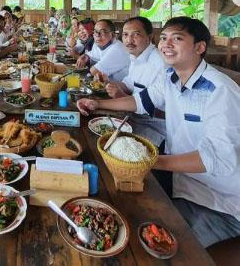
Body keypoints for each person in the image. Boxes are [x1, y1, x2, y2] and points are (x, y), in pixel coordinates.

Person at [77, 17, 240, 248]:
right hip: (182, 185)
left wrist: (149, 161)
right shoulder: (171, 78)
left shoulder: (219, 91)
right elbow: (140, 101)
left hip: (220, 204)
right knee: (124, 215)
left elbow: (217, 158)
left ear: (200, 47)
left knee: (153, 247)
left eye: (177, 39)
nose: (166, 44)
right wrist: (97, 104)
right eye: (163, 38)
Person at [105, 17, 167, 147]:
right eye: (125, 35)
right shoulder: (137, 56)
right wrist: (108, 82)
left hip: (156, 130)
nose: (129, 40)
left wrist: (122, 97)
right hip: (133, 118)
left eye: (136, 35)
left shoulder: (160, 63)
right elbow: (128, 84)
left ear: (149, 38)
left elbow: (163, 112)